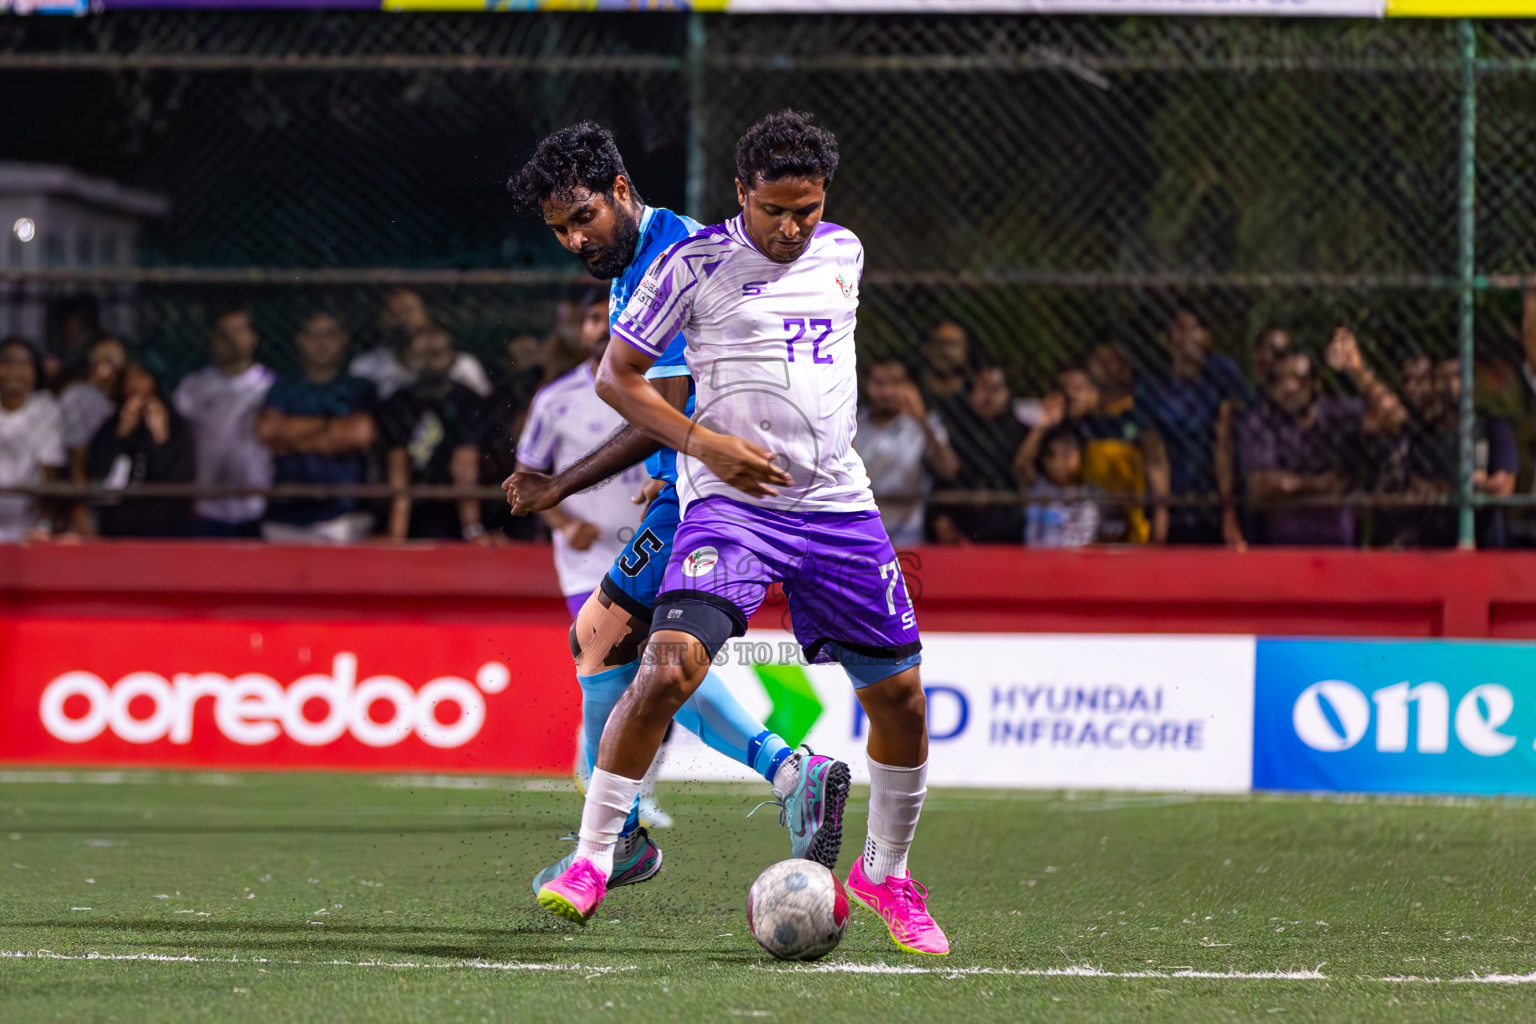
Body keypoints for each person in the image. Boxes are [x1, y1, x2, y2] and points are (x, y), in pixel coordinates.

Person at [536, 111, 948, 955]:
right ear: (740, 195)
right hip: (728, 509)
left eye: (808, 207)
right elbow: (619, 379)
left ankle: (885, 873)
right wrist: (705, 444)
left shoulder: (845, 253)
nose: (793, 227)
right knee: (661, 665)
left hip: (838, 510)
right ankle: (594, 857)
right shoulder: (690, 264)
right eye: (775, 210)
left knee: (901, 698)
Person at [504, 120, 832, 897]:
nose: (575, 239)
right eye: (559, 229)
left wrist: (558, 485)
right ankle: (776, 777)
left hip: (716, 494)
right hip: (690, 485)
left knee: (605, 644)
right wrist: (664, 462)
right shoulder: (636, 257)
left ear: (621, 189)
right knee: (635, 656)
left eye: (583, 217)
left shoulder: (668, 256)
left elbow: (668, 399)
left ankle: (626, 836)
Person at [1135, 302, 1252, 545]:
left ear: (1207, 335)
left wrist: (1228, 512)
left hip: (1218, 492)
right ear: (1167, 339)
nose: (1188, 337)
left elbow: (1225, 440)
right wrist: (1161, 512)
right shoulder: (1151, 386)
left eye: (1194, 329)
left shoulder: (1221, 374)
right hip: (1173, 494)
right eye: (1180, 329)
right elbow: (1154, 451)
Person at [257, 312, 378, 544]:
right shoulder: (282, 388)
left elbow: (360, 434)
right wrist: (332, 428)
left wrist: (291, 440)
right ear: (300, 341)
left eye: (329, 335)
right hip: (286, 514)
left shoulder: (359, 388)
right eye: (313, 336)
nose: (322, 343)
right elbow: (268, 432)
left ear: (344, 341)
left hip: (345, 515)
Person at [1236, 349, 1365, 546]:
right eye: (1280, 379)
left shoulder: (1339, 412)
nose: (1289, 387)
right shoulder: (1261, 419)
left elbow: (1389, 416)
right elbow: (1260, 487)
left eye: (1298, 378)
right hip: (1282, 540)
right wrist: (1319, 485)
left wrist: (1359, 371)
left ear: (1316, 382)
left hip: (1336, 536)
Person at [173, 306, 275, 538]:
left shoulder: (270, 387)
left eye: (238, 331)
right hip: (207, 508)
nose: (231, 340)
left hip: (259, 505)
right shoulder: (192, 388)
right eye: (223, 333)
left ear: (253, 338)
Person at [379, 327, 489, 543]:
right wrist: (397, 537)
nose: (429, 362)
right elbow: (399, 467)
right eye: (421, 355)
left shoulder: (468, 402)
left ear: (452, 358)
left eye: (436, 354)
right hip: (412, 505)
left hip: (455, 506)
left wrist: (472, 530)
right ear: (408, 359)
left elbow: (465, 466)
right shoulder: (398, 403)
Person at [855, 356, 959, 547]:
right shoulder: (854, 424)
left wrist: (922, 420)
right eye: (879, 383)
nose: (886, 392)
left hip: (909, 534)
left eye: (895, 383)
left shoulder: (926, 425)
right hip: (861, 531)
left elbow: (948, 470)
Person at [86, 361, 196, 537]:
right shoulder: (111, 426)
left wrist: (161, 440)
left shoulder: (176, 428)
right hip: (118, 530)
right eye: (129, 377)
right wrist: (120, 436)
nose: (135, 383)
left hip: (165, 530)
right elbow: (98, 474)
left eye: (141, 376)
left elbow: (179, 478)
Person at [931, 362, 1028, 544]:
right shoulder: (956, 431)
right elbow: (947, 476)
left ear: (1007, 393)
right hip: (960, 523)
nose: (989, 396)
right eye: (983, 387)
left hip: (1007, 524)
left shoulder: (1019, 431)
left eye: (996, 388)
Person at [350, 288, 493, 401]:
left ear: (426, 312)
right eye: (392, 312)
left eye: (407, 310)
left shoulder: (463, 364)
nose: (402, 318)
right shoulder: (367, 366)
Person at [479, 333, 549, 542]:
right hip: (505, 482)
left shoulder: (551, 392)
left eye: (533, 352)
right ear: (510, 361)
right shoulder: (497, 401)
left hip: (549, 476)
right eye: (523, 354)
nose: (531, 359)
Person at [58, 334, 128, 536]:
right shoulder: (78, 396)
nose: (107, 368)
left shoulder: (135, 398)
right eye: (100, 361)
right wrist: (81, 513)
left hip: (131, 504)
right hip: (91, 500)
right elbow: (76, 460)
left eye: (114, 361)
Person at [0, 337, 66, 542]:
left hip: (27, 524)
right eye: (8, 362)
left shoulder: (46, 408)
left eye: (24, 364)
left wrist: (43, 525)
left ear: (35, 373)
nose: (16, 371)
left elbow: (50, 472)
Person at [1025, 425, 1103, 548]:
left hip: (1087, 562)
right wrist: (1041, 425)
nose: (1058, 462)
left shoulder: (1094, 492)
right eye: (1052, 455)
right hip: (1046, 561)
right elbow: (1022, 465)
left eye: (1067, 454)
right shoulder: (1040, 490)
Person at [917, 321, 970, 405]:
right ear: (925, 347)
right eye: (940, 343)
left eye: (953, 344)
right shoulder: (910, 393)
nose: (946, 352)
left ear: (965, 350)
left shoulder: (977, 395)